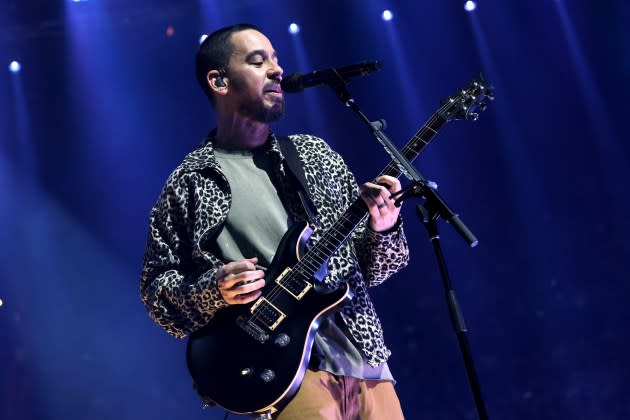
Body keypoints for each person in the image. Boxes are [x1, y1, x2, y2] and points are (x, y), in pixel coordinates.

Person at [140, 23, 410, 419]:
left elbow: (374, 269)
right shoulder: (191, 182)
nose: (277, 70)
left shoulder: (314, 155)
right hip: (285, 380)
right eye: (258, 60)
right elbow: (156, 292)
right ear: (219, 80)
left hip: (366, 365)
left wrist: (383, 228)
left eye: (277, 59)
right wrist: (214, 289)